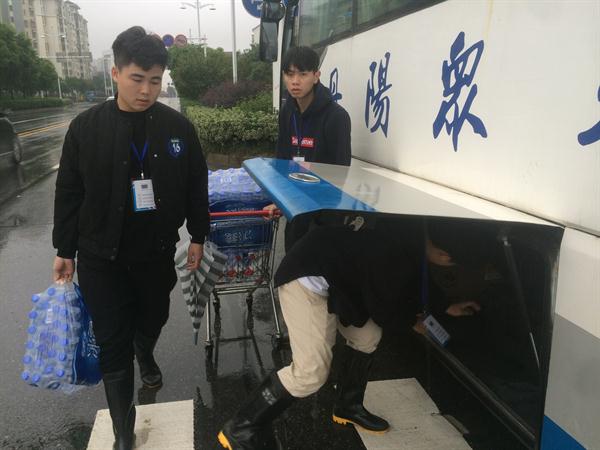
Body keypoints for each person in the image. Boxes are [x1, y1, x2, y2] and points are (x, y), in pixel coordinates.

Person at [52, 26, 209, 450]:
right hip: (100, 255)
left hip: (155, 253)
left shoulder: (177, 128)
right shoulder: (86, 128)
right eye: (137, 79)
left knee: (153, 317)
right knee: (111, 341)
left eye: (155, 81)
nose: (145, 90)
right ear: (116, 73)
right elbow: (69, 191)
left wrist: (198, 234)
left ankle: (145, 347)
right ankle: (124, 432)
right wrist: (65, 249)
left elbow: (196, 183)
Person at [217, 221, 423, 450]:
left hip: (338, 281)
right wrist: (411, 322)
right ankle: (241, 427)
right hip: (304, 278)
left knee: (367, 337)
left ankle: (348, 407)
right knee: (310, 372)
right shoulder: (397, 253)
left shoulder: (405, 247)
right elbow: (384, 310)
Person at [276, 46, 351, 165]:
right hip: (290, 177)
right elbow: (281, 159)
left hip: (322, 178)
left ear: (316, 76)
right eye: (290, 74)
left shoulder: (336, 116)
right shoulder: (286, 112)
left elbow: (341, 168)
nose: (295, 81)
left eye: (303, 74)